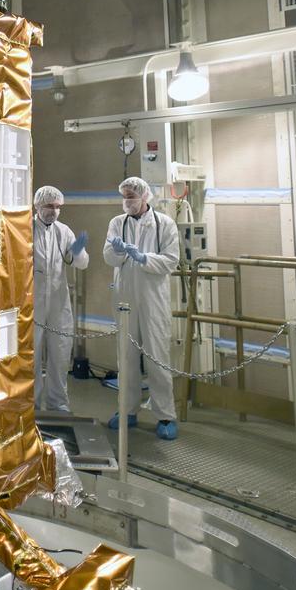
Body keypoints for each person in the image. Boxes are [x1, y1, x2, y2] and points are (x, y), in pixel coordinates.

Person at [103, 176, 180, 440]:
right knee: (125, 358)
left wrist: (143, 257)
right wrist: (119, 251)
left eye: (132, 197)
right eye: (125, 197)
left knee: (157, 357)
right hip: (125, 298)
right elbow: (108, 256)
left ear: (145, 197)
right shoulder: (117, 223)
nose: (128, 201)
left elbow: (171, 261)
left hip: (152, 299)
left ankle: (165, 415)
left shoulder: (164, 224)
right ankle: (127, 410)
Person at [33, 185, 89, 412]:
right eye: (49, 206)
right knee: (32, 357)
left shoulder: (64, 231)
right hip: (33, 303)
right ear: (37, 205)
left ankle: (58, 403)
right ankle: (32, 404)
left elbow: (82, 263)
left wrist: (77, 251)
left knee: (60, 353)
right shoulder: (25, 229)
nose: (54, 211)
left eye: (57, 207)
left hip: (58, 302)